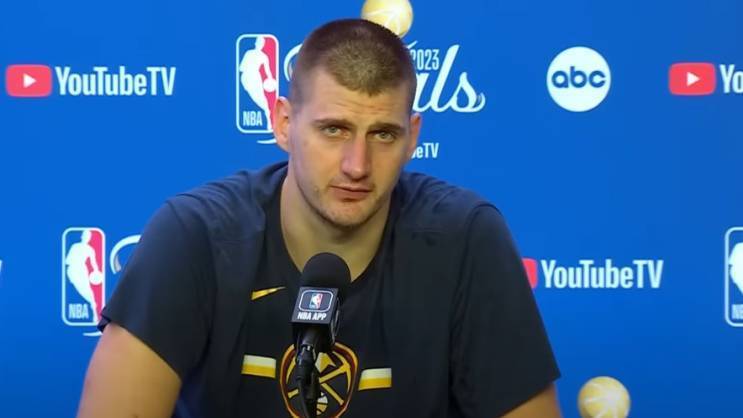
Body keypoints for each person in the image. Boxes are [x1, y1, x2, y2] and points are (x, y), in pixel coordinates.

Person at [77, 18, 561, 418]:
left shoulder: (465, 238)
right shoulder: (196, 235)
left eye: (384, 134)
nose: (357, 165)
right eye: (334, 130)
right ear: (284, 124)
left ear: (413, 137)